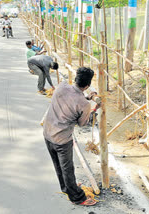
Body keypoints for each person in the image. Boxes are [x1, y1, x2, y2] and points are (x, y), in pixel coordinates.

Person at [43, 67, 100, 206]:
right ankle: (77, 198)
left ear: (75, 79)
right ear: (87, 86)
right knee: (67, 168)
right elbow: (82, 123)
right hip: (61, 139)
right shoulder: (84, 104)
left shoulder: (62, 86)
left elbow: (71, 99)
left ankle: (67, 188)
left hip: (47, 132)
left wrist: (87, 98)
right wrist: (93, 109)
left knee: (57, 165)